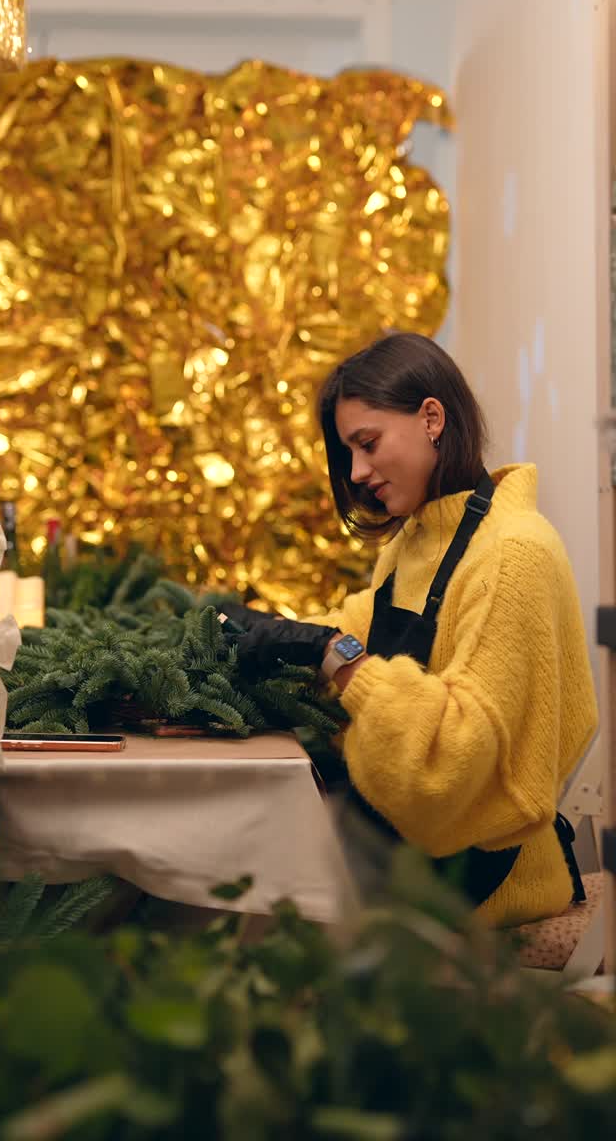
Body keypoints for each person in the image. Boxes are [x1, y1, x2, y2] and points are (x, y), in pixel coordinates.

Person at [233, 332, 598, 927]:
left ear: (431, 417)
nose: (356, 471)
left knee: (239, 909)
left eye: (368, 443)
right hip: (402, 848)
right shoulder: (418, 540)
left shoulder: (513, 554)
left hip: (480, 876)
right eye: (348, 452)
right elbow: (359, 625)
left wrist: (338, 658)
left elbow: (450, 765)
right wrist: (261, 627)